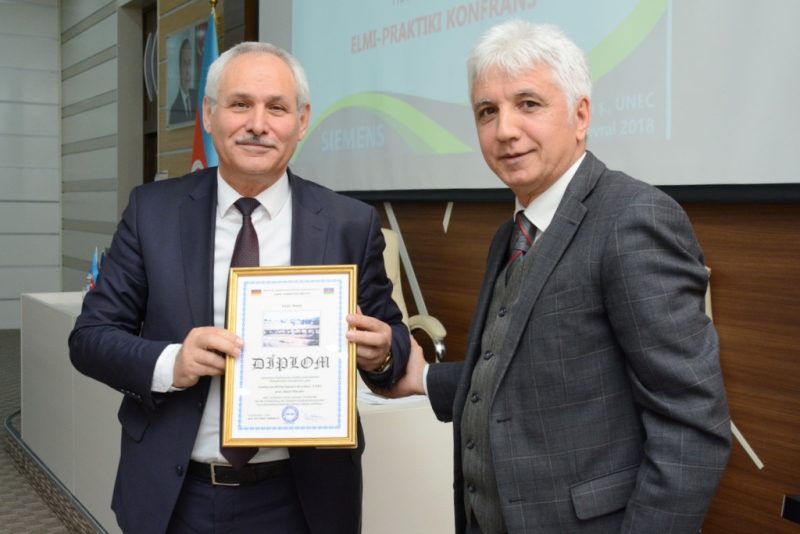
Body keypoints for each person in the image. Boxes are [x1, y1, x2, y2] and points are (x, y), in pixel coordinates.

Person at [379, 20, 731, 533]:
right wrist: (423, 378)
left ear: (580, 114)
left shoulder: (633, 219)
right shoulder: (511, 233)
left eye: (528, 104)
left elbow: (692, 425)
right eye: (487, 111)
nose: (505, 130)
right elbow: (539, 371)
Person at [69, 41, 410, 534]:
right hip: (176, 495)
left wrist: (381, 353)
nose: (258, 124)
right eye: (240, 104)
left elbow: (392, 340)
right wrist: (172, 363)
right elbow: (90, 338)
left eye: (277, 108)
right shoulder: (152, 212)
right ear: (209, 115)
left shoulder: (349, 223)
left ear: (302, 121)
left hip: (302, 498)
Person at [169, 38, 197, 124]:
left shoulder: (197, 97)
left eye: (189, 63)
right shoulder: (174, 109)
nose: (188, 71)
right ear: (179, 68)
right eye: (185, 64)